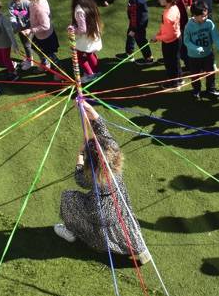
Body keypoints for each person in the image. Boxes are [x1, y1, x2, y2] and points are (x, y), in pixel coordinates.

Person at [55, 102, 149, 263]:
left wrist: (79, 158)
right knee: (123, 220)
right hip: (119, 203)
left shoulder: (91, 176)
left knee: (69, 197)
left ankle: (71, 232)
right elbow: (105, 136)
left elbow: (79, 180)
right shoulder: (114, 153)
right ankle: (140, 249)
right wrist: (93, 114)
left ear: (91, 164)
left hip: (99, 210)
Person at [184, 1, 219, 100]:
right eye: (203, 16)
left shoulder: (209, 23)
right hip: (193, 57)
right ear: (195, 15)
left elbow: (216, 37)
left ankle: (211, 89)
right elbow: (186, 41)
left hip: (208, 55)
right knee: (195, 75)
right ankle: (196, 90)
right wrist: (196, 48)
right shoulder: (189, 26)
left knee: (210, 73)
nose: (206, 17)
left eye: (206, 15)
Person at [20, 0, 60, 72]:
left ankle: (59, 71)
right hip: (40, 35)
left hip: (45, 37)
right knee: (39, 50)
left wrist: (30, 30)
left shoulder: (39, 8)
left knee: (50, 55)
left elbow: (45, 26)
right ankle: (45, 64)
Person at [151, 0, 183, 88]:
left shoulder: (168, 16)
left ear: (168, 0)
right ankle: (179, 79)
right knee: (175, 60)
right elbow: (166, 28)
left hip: (170, 42)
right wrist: (159, 34)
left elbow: (169, 35)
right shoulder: (174, 7)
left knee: (170, 63)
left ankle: (174, 82)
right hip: (176, 39)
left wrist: (157, 38)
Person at [72, 0, 104, 79]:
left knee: (79, 56)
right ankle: (96, 71)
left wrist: (73, 30)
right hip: (93, 34)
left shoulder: (79, 10)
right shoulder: (91, 3)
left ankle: (90, 74)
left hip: (86, 38)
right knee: (90, 54)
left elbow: (82, 29)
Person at [7, 0, 34, 71]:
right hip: (20, 28)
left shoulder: (27, 2)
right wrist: (16, 27)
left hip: (29, 28)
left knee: (27, 45)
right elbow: (12, 16)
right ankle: (28, 58)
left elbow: (32, 16)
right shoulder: (11, 4)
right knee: (24, 43)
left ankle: (30, 61)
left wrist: (28, 28)